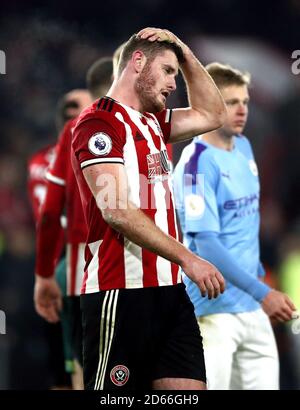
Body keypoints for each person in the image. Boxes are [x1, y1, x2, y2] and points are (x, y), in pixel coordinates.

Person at [69, 27, 226, 391]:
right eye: (169, 71)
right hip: (121, 292)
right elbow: (117, 211)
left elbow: (212, 113)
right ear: (137, 62)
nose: (175, 83)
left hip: (170, 291)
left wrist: (183, 52)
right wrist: (189, 258)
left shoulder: (154, 122)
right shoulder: (99, 123)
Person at [173, 62, 297, 390]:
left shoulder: (244, 147)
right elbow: (207, 245)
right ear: (209, 105)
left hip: (251, 305)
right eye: (231, 102)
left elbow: (244, 224)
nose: (241, 110)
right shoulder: (196, 166)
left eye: (244, 101)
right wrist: (264, 292)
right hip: (212, 312)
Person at [34, 58, 114, 389]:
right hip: (142, 267)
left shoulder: (71, 133)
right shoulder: (151, 128)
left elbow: (50, 213)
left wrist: (43, 273)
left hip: (81, 266)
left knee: (84, 369)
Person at [28, 89, 91, 389]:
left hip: (50, 268)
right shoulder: (89, 151)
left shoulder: (38, 161)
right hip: (77, 267)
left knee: (62, 370)